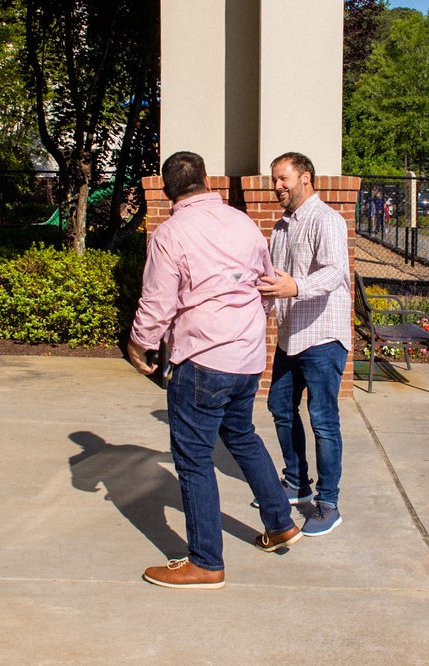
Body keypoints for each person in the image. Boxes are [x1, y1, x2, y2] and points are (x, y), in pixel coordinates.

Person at [128, 151, 301, 590]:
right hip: (245, 359)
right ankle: (280, 521)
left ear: (168, 192)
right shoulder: (243, 223)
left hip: (202, 359)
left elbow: (158, 301)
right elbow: (266, 284)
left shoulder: (170, 234)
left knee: (194, 460)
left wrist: (140, 344)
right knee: (241, 436)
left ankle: (206, 561)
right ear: (207, 181)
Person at [256, 152, 351, 537]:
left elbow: (333, 272)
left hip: (323, 336)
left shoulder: (327, 219)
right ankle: (296, 482)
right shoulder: (280, 229)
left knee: (323, 420)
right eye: (274, 180)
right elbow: (272, 281)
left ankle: (328, 503)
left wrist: (296, 286)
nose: (276, 186)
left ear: (305, 178)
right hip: (291, 336)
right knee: (280, 406)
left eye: (283, 179)